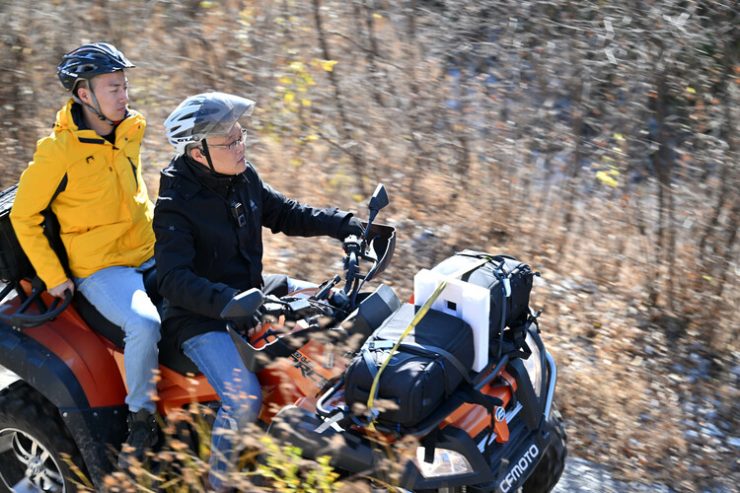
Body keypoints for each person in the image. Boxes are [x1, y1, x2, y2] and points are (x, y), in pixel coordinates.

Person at [154, 92, 364, 489]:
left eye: (240, 135)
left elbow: (284, 212)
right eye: (229, 142)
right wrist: (229, 303)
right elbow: (173, 280)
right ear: (198, 153)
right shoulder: (174, 204)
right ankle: (220, 483)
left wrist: (344, 224)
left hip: (250, 293)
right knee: (244, 398)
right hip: (199, 317)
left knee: (335, 312)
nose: (241, 146)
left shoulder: (241, 175)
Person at [10, 42, 160, 464]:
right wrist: (55, 277)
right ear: (83, 94)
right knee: (144, 324)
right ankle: (142, 421)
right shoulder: (57, 152)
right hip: (103, 268)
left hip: (150, 252)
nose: (123, 95)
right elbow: (25, 217)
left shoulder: (130, 129)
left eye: (124, 85)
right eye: (113, 87)